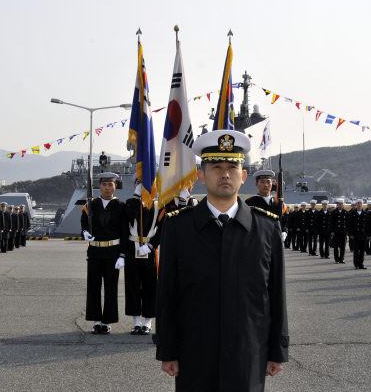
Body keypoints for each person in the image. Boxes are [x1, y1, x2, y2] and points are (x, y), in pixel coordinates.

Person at [156, 130, 288, 392]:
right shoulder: (178, 228)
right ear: (202, 176)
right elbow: (167, 294)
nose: (224, 174)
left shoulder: (267, 228)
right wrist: (167, 349)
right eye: (216, 167)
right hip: (194, 352)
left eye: (232, 167)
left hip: (248, 352)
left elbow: (276, 294)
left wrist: (278, 350)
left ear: (243, 175)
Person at [81, 172, 128, 335]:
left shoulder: (122, 206)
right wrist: (84, 233)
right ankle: (96, 321)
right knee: (93, 286)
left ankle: (107, 321)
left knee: (110, 287)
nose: (107, 188)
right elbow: (84, 225)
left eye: (111, 185)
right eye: (104, 184)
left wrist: (123, 255)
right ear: (99, 186)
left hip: (112, 252)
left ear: (115, 186)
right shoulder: (90, 205)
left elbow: (124, 232)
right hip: (94, 251)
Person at [124, 182, 162, 335]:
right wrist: (136, 197)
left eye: (148, 185)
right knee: (132, 286)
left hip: (149, 250)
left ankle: (147, 322)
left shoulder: (160, 206)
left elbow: (161, 229)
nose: (145, 188)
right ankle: (136, 322)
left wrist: (151, 245)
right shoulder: (131, 203)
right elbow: (127, 218)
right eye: (140, 185)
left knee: (150, 287)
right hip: (132, 249)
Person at [347, 199, 368, 270]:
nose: (359, 205)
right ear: (356, 204)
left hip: (363, 235)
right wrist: (351, 234)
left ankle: (361, 264)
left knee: (362, 251)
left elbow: (368, 225)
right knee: (356, 250)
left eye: (360, 203)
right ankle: (356, 264)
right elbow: (349, 225)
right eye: (358, 203)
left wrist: (367, 234)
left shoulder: (365, 213)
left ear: (362, 204)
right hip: (355, 235)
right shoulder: (352, 213)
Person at [330, 198, 348, 264]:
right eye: (339, 204)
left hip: (343, 232)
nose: (340, 205)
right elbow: (331, 222)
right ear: (337, 205)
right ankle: (336, 259)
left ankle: (341, 259)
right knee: (336, 247)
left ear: (343, 205)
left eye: (341, 204)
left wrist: (347, 231)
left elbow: (347, 222)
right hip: (336, 232)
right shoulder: (334, 212)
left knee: (343, 247)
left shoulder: (345, 212)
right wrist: (332, 231)